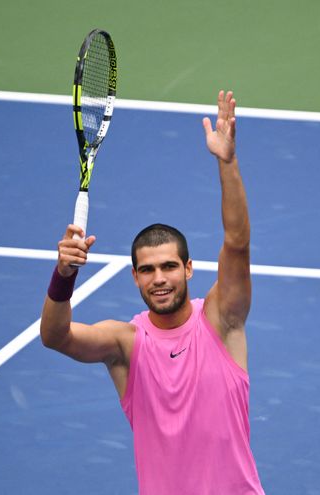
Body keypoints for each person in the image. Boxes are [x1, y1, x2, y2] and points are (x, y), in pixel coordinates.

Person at [41, 90, 264, 494]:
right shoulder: (125, 344)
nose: (159, 278)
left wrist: (227, 163)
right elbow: (56, 336)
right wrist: (63, 275)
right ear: (135, 277)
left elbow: (237, 243)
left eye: (168, 267)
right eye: (147, 270)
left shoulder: (222, 319)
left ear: (188, 269)